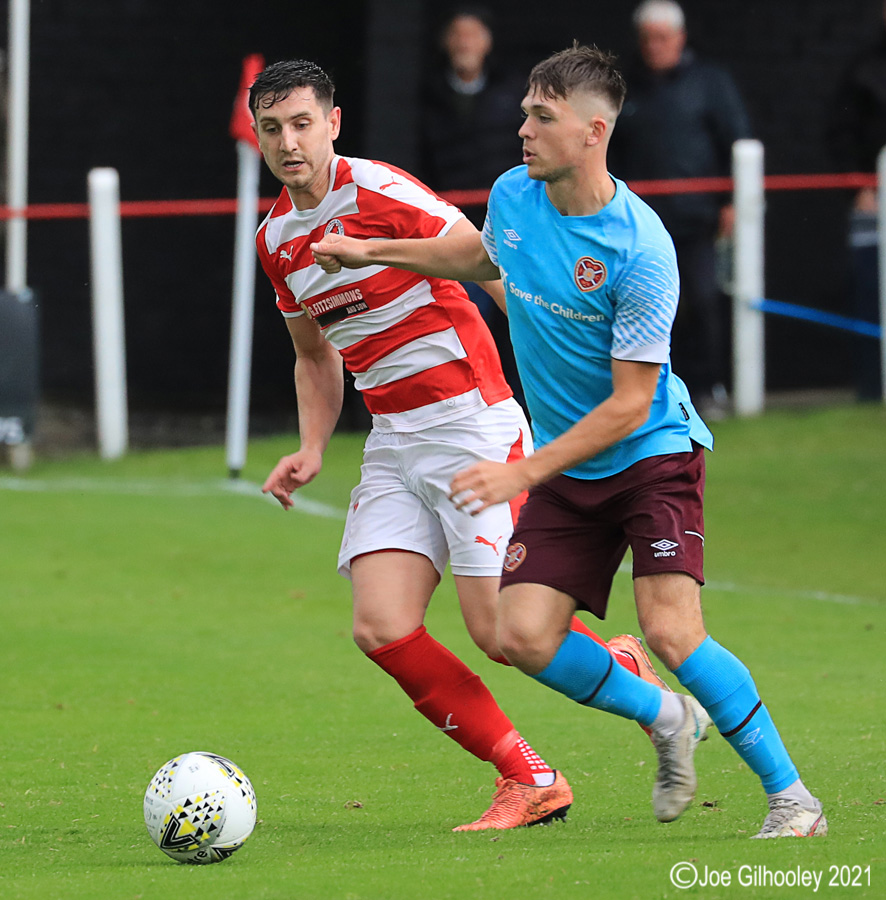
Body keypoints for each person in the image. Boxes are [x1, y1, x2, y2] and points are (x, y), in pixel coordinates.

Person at [311, 44, 827, 839]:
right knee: (519, 635)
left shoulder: (642, 250)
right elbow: (480, 254)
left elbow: (629, 404)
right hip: (567, 470)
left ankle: (793, 798)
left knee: (671, 629)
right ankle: (665, 719)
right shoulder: (516, 194)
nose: (522, 128)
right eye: (524, 111)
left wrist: (525, 471)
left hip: (649, 454)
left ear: (593, 131)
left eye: (540, 117)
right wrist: (374, 250)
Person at [250, 58, 682, 832]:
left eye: (303, 123)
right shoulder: (277, 240)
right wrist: (312, 446)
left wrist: (549, 369)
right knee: (380, 626)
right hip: (393, 441)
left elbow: (488, 260)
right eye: (273, 127)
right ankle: (530, 777)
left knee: (497, 633)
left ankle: (642, 691)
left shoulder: (380, 191)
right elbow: (314, 354)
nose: (289, 141)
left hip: (470, 423)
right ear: (258, 134)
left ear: (333, 124)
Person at [608, 0, 751, 419]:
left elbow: (737, 144)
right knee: (642, 306)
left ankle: (709, 389)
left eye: (663, 38)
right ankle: (653, 395)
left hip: (697, 221)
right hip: (639, 225)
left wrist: (729, 203)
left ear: (681, 38)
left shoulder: (711, 83)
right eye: (648, 38)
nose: (655, 46)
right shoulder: (624, 88)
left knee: (704, 302)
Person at [419, 5, 527, 410]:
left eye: (474, 35)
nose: (466, 44)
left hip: (512, 227)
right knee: (469, 318)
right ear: (447, 42)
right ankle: (477, 403)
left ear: (488, 41)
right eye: (458, 35)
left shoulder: (512, 92)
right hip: (458, 229)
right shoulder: (427, 96)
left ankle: (526, 401)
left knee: (522, 313)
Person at [828, 1, 886, 400]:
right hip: (874, 200)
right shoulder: (863, 69)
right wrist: (860, 187)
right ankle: (871, 386)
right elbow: (841, 132)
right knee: (871, 292)